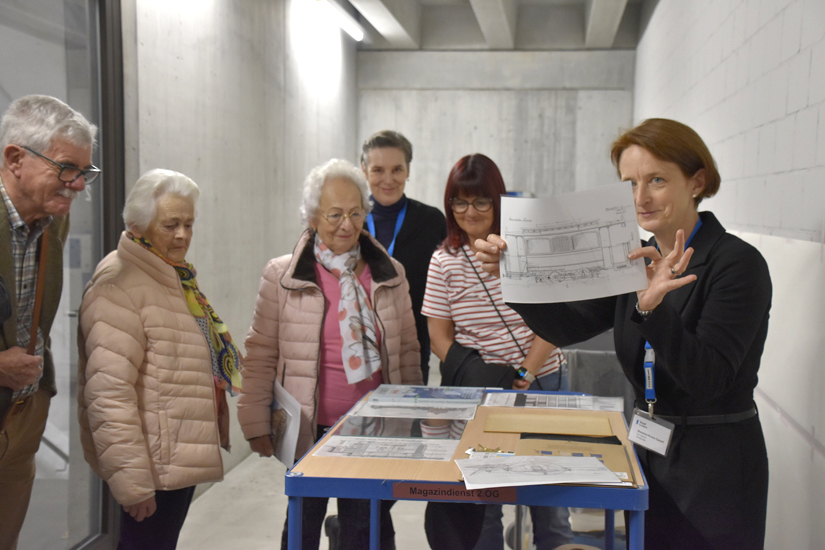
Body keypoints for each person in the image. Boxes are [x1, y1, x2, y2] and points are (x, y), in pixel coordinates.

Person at [477, 119, 772, 550]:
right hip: (652, 455)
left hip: (716, 471)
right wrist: (513, 281)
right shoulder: (634, 259)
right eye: (629, 183)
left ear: (697, 181)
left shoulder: (737, 265)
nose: (640, 198)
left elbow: (708, 377)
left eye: (656, 180)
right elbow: (568, 327)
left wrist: (651, 308)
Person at [238, 158, 422, 550]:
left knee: (365, 530)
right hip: (310, 428)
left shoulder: (390, 273)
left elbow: (407, 351)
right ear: (312, 216)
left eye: (356, 213)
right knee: (301, 531)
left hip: (373, 429)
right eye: (335, 213)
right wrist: (254, 420)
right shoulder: (283, 275)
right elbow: (260, 353)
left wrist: (413, 418)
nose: (347, 224)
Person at [78, 169, 240, 549]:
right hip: (151, 467)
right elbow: (107, 395)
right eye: (170, 225)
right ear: (140, 224)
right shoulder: (120, 283)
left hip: (174, 458)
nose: (182, 234)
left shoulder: (174, 278)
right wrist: (134, 484)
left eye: (188, 223)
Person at [421, 154, 571, 550]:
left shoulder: (527, 250)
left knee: (551, 501)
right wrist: (478, 375)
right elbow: (438, 336)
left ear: (497, 201)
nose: (470, 212)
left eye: (481, 201)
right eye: (460, 202)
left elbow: (557, 321)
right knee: (485, 501)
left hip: (544, 381)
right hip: (481, 392)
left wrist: (526, 371)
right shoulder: (443, 261)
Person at [0, 95, 98, 550]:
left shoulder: (51, 220)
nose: (77, 185)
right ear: (15, 159)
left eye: (84, 172)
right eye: (66, 168)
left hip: (20, 419)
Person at [361, 130, 446, 384]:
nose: (388, 179)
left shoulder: (432, 221)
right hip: (356, 343)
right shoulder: (350, 221)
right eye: (378, 170)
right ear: (364, 170)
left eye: (397, 169)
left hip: (412, 345)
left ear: (408, 170)